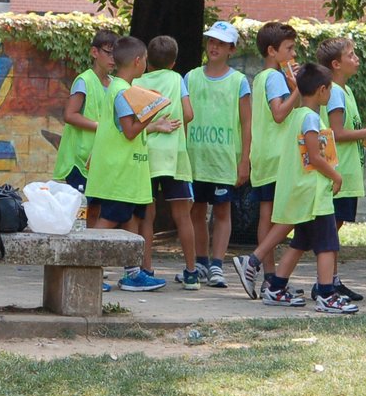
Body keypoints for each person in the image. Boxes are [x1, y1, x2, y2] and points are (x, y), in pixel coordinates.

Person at [253, 63, 350, 314]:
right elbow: (315, 157)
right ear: (321, 90)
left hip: (305, 194)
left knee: (300, 243)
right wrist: (336, 177)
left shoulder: (296, 114)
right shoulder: (310, 118)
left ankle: (276, 288)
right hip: (315, 194)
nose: (330, 94)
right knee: (328, 244)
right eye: (329, 90)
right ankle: (327, 294)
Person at [87, 35, 177, 291]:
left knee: (131, 220)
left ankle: (133, 273)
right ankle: (87, 269)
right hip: (120, 174)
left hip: (127, 173)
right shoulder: (122, 93)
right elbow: (129, 130)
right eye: (146, 60)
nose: (146, 64)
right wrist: (152, 111)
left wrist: (151, 117)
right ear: (137, 62)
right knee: (108, 221)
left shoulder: (118, 88)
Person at [315, 35, 366, 302]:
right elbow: (336, 132)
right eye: (351, 55)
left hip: (346, 172)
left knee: (335, 227)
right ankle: (326, 283)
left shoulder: (346, 91)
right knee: (330, 229)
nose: (356, 59)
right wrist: (365, 131)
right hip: (338, 173)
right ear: (336, 64)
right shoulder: (334, 92)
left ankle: (333, 280)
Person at [184, 20, 251, 289]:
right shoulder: (191, 77)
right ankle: (199, 261)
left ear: (231, 49)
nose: (214, 46)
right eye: (211, 41)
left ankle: (217, 265)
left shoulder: (238, 82)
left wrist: (244, 159)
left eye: (221, 43)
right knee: (195, 211)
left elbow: (247, 123)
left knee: (222, 212)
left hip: (224, 160)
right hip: (194, 158)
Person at [235, 22, 299, 299]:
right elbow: (279, 113)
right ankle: (256, 262)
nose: (293, 53)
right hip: (278, 157)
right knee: (293, 212)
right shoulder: (273, 77)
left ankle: (269, 277)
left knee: (267, 214)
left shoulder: (262, 78)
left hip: (263, 155)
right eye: (289, 48)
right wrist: (299, 90)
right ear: (272, 51)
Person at [136, 36, 196, 287]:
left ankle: (146, 268)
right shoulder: (177, 79)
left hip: (146, 156)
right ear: (173, 62)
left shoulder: (137, 82)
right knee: (183, 216)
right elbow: (189, 113)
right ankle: (192, 272)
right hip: (175, 157)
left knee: (146, 216)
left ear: (147, 61)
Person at [52, 29, 120, 205]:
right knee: (81, 210)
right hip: (78, 161)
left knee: (97, 208)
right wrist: (101, 126)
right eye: (109, 53)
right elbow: (69, 115)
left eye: (116, 54)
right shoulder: (84, 81)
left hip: (100, 159)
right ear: (94, 52)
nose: (113, 58)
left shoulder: (115, 84)